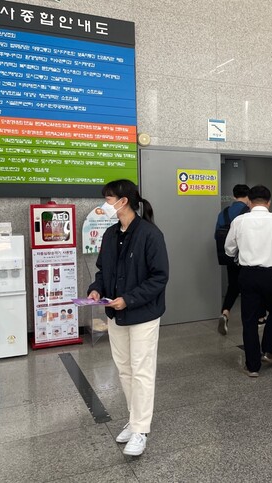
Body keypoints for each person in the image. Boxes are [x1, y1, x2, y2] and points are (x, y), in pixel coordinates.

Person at [87, 179, 169, 457]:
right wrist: (97, 289)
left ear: (123, 202)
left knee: (142, 370)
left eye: (108, 199)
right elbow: (102, 271)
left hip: (143, 314)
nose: (105, 204)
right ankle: (135, 421)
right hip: (115, 313)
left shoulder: (150, 234)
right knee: (124, 369)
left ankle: (141, 430)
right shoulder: (110, 234)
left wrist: (129, 299)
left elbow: (159, 277)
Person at [224, 185, 272, 377]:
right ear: (269, 202)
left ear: (249, 201)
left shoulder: (239, 221)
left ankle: (252, 366)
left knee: (249, 319)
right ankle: (269, 351)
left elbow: (229, 249)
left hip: (247, 274)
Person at [214, 184, 250, 335]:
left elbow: (216, 235)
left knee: (233, 286)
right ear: (248, 196)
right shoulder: (249, 213)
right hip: (246, 256)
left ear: (234, 196)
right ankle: (255, 318)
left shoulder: (223, 213)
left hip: (229, 256)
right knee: (249, 287)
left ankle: (225, 312)